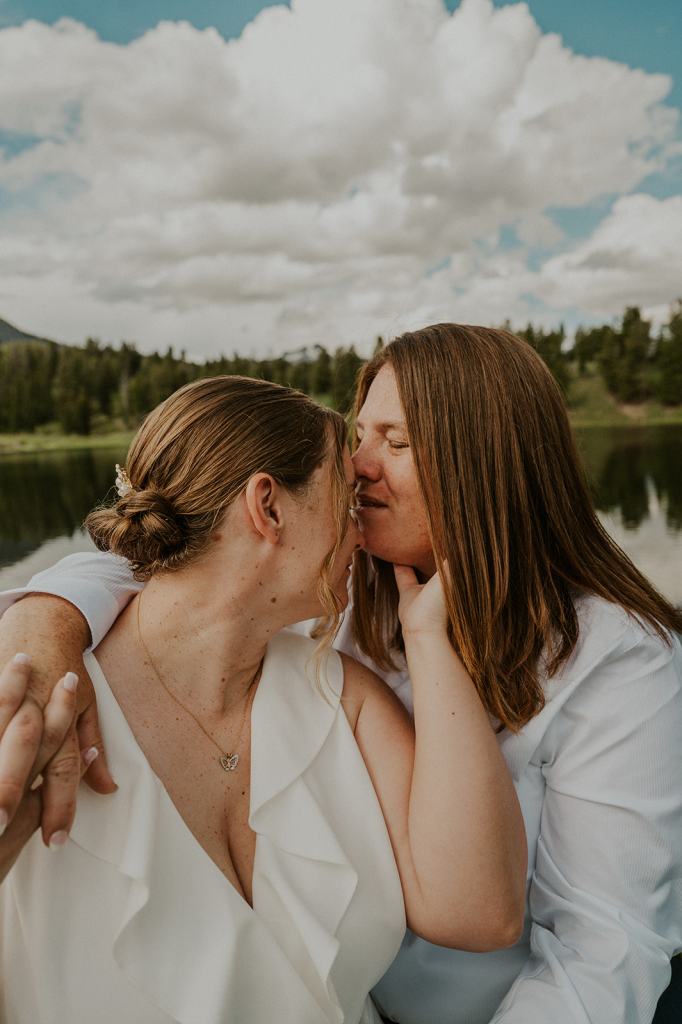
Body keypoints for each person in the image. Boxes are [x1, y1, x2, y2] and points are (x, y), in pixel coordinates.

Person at [1, 323, 681, 1022]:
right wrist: (43, 621)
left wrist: (429, 640)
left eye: (397, 442)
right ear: (269, 507)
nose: (359, 466)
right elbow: (183, 553)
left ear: (482, 464)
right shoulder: (327, 599)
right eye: (360, 437)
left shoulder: (618, 659)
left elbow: (604, 949)